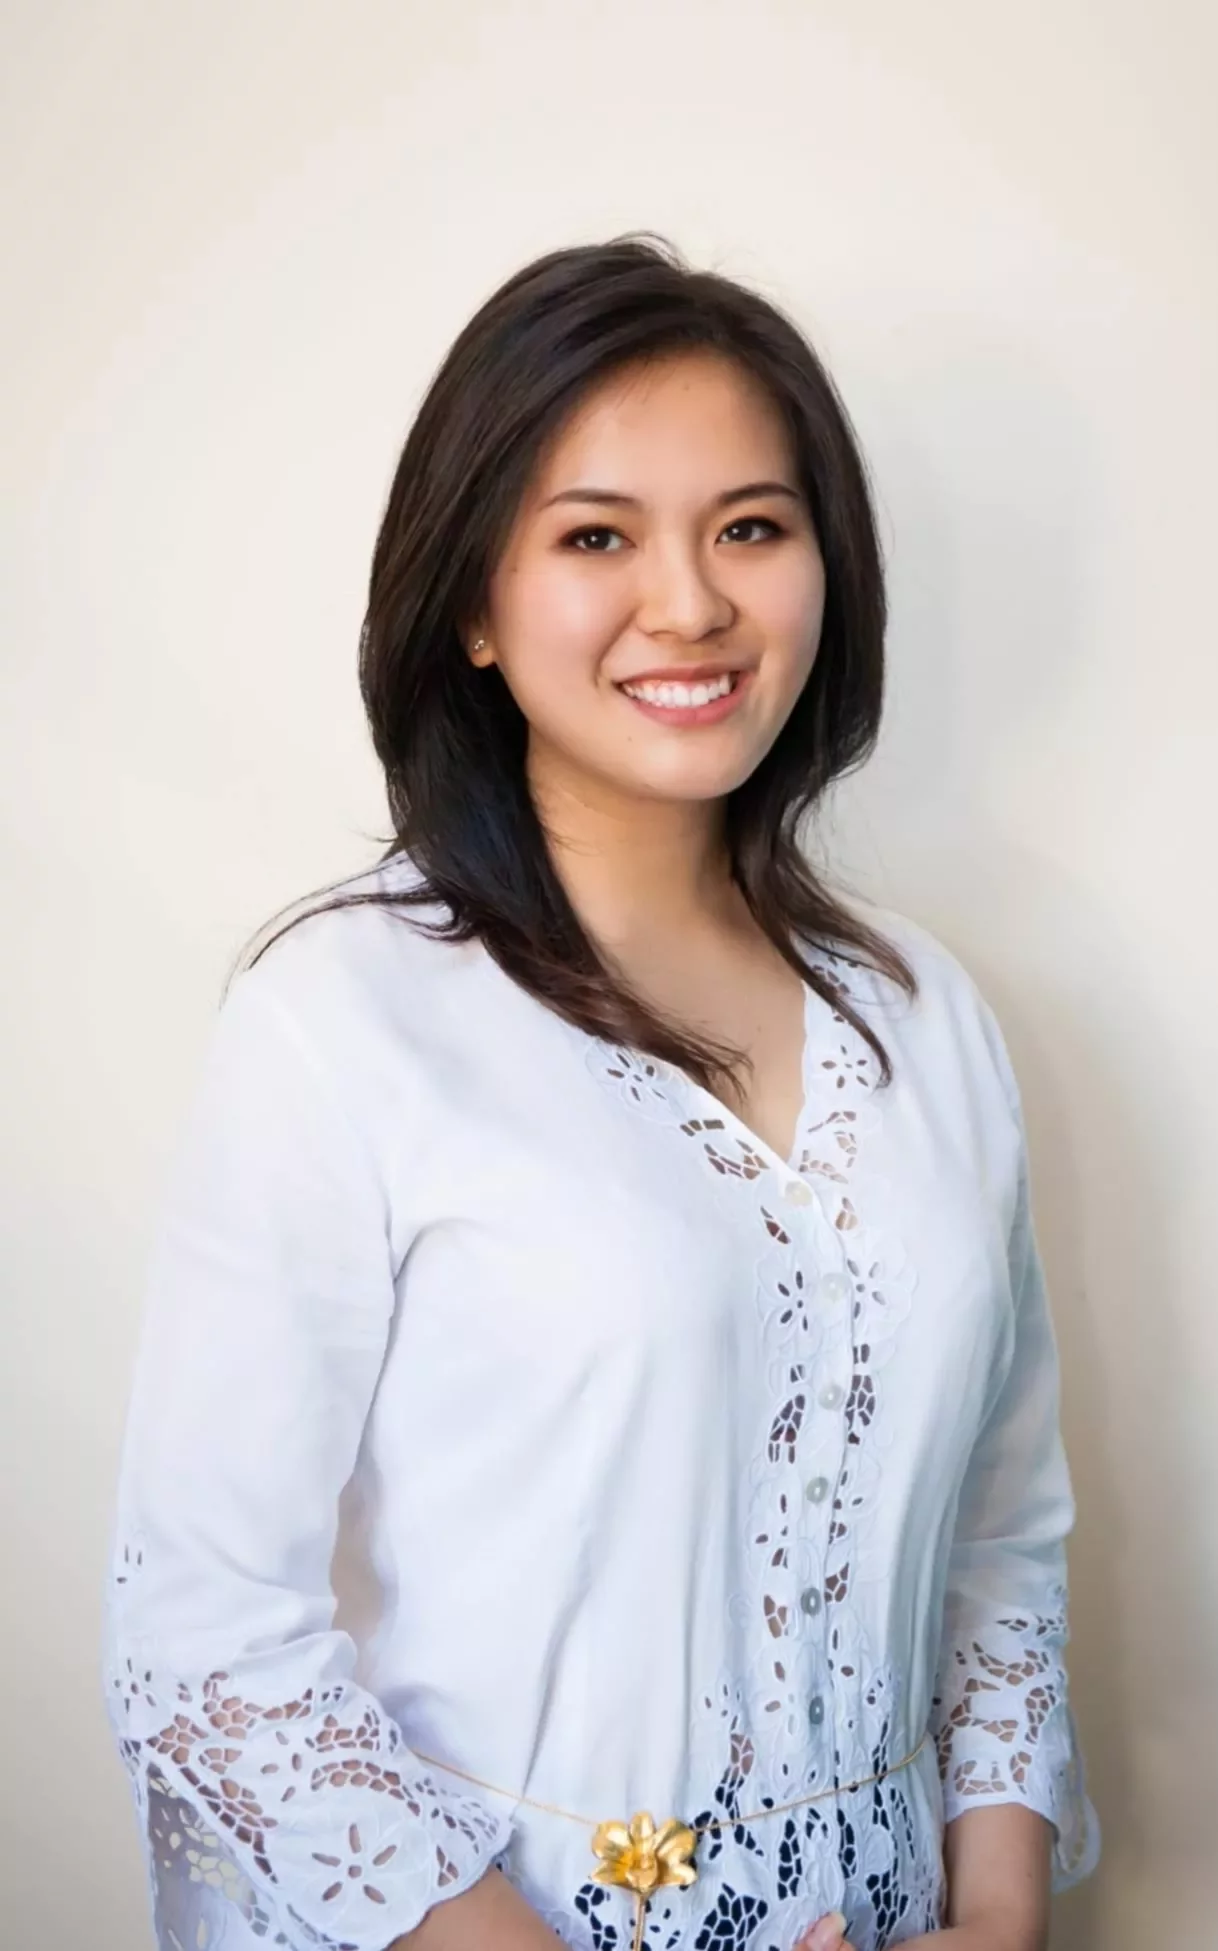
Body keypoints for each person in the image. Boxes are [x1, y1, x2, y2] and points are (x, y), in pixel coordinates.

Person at [103, 234, 1098, 1951]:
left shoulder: (925, 1019)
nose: (690, 603)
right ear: (472, 606)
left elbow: (1000, 1543)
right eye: (594, 536)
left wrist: (995, 1917)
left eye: (750, 527)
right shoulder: (342, 1021)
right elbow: (207, 1647)